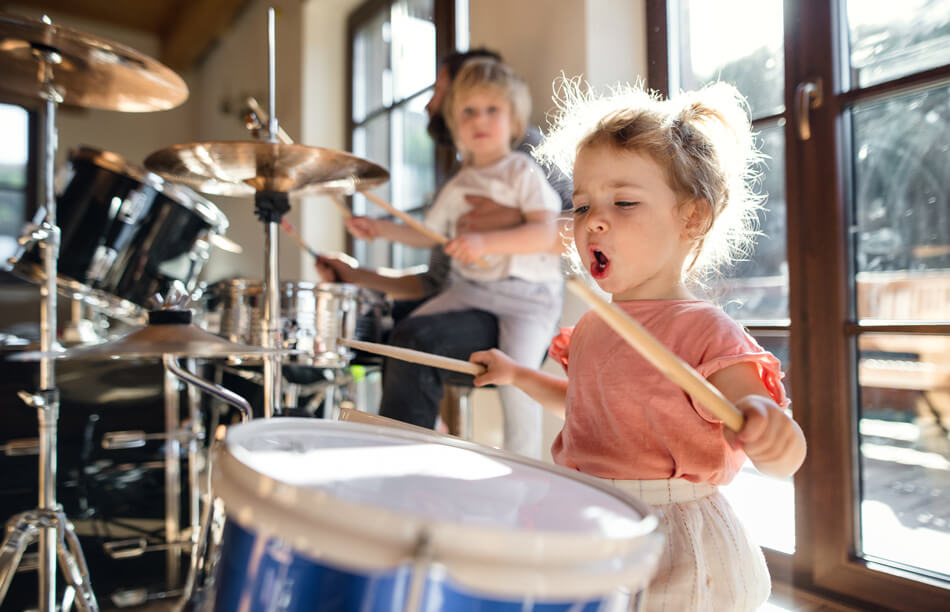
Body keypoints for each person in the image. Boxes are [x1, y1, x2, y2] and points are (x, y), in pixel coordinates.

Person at [469, 81, 807, 610]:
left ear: (691, 218)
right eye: (581, 207)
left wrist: (775, 435)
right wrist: (517, 375)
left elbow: (760, 418)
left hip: (675, 541)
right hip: (595, 517)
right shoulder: (592, 326)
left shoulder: (705, 330)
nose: (593, 221)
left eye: (623, 202)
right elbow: (585, 405)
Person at [341, 59, 563, 458]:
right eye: (468, 111)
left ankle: (525, 468)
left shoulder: (521, 171)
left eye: (492, 110)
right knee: (408, 338)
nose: (480, 120)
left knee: (518, 390)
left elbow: (545, 232)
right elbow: (428, 234)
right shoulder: (458, 184)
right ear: (455, 123)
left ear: (513, 120)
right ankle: (401, 447)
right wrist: (380, 229)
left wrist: (485, 243)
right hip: (471, 290)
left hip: (527, 300)